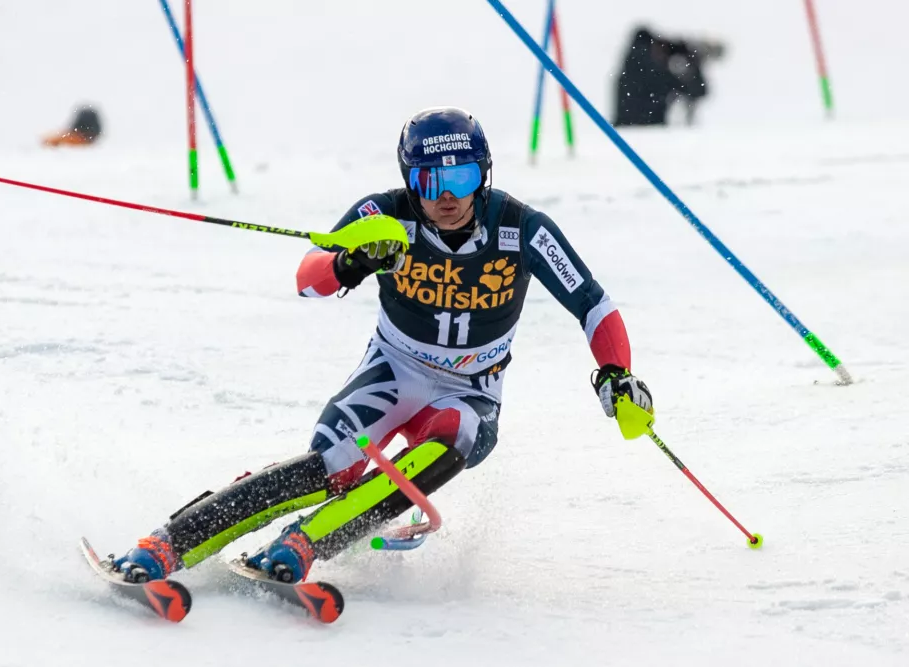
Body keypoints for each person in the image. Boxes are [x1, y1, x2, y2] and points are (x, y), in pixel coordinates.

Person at [107, 107, 653, 584]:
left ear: (483, 175)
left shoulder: (521, 228)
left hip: (469, 391)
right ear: (408, 178)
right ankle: (166, 544)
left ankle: (302, 545)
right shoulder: (384, 214)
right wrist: (351, 261)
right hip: (393, 371)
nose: (445, 196)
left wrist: (616, 374)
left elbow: (593, 304)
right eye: (428, 178)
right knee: (333, 465)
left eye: (461, 177)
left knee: (454, 435)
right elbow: (309, 277)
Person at [613, 27, 683, 127]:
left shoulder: (629, 67)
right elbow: (692, 89)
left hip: (625, 125)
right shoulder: (652, 69)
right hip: (649, 127)